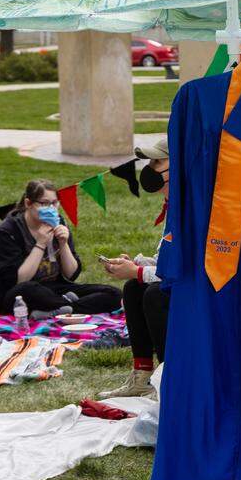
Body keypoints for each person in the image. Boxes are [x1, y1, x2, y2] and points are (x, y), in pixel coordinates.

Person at [0, 179, 121, 318]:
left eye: (54, 203)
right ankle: (67, 306)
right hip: (16, 295)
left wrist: (63, 243)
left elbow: (71, 275)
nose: (51, 208)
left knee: (114, 294)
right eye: (44, 203)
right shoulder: (8, 232)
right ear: (28, 203)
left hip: (55, 289)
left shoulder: (59, 222)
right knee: (28, 290)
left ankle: (59, 310)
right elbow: (18, 281)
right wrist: (40, 244)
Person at [98, 140, 172, 399]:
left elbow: (183, 269)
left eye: (157, 162)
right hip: (178, 279)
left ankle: (168, 378)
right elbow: (167, 260)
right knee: (133, 288)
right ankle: (142, 376)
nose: (149, 169)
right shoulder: (172, 204)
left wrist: (137, 271)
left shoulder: (191, 207)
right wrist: (139, 266)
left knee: (153, 293)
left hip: (201, 289)